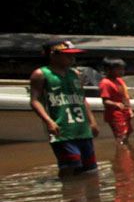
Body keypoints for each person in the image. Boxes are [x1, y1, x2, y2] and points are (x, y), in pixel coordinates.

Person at [29, 39, 101, 176]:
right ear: (53, 54)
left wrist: (92, 121)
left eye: (73, 55)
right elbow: (34, 101)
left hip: (82, 128)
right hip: (62, 130)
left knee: (89, 169)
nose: (72, 58)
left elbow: (82, 99)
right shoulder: (41, 74)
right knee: (70, 165)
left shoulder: (76, 74)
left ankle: (86, 195)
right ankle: (68, 194)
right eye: (67, 55)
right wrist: (49, 122)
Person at [99, 58, 134, 144]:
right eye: (118, 69)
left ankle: (125, 151)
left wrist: (130, 109)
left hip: (125, 112)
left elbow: (125, 97)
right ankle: (121, 153)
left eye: (122, 69)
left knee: (128, 132)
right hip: (115, 114)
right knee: (120, 135)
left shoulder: (120, 81)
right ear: (108, 70)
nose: (121, 71)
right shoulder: (106, 83)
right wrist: (116, 104)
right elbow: (105, 101)